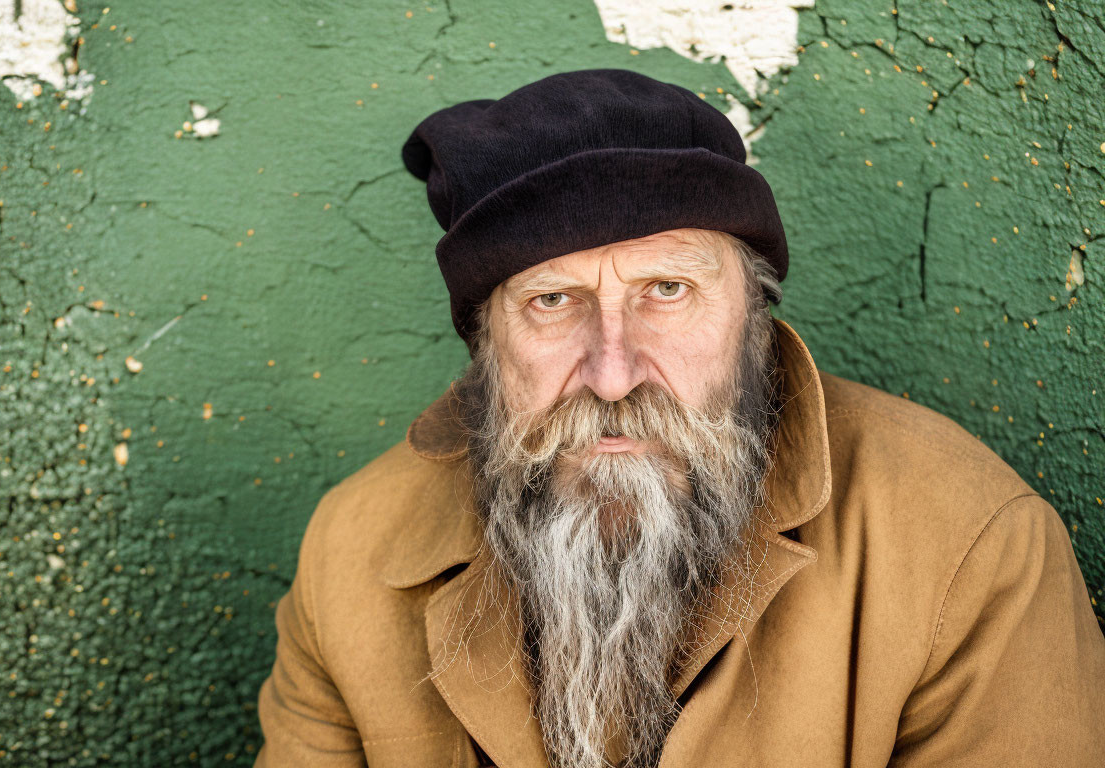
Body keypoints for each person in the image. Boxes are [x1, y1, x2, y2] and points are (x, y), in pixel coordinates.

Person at [254, 69, 1105, 767]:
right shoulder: (352, 556)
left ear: (752, 319)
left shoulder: (970, 547)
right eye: (553, 300)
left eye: (668, 290)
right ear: (486, 344)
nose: (614, 374)